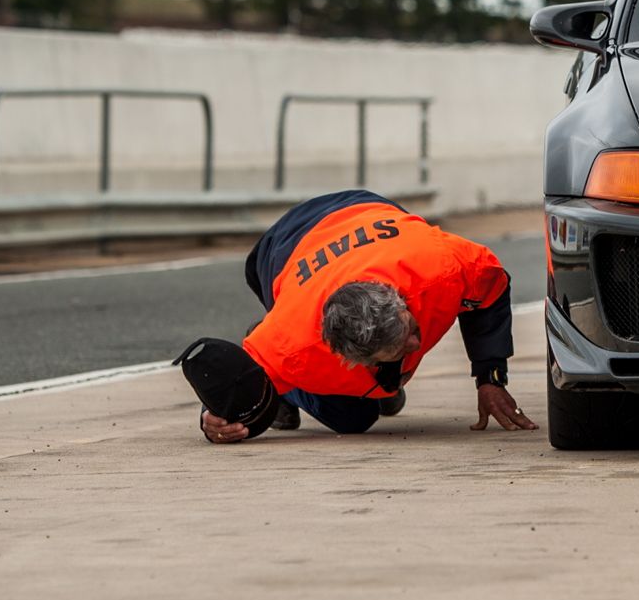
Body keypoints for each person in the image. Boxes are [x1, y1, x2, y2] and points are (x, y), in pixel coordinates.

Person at [175, 189, 537, 442]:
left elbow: (492, 286)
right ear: (349, 358)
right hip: (280, 251)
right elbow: (231, 381)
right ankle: (297, 393)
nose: (417, 341)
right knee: (354, 419)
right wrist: (212, 421)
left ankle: (383, 386)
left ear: (395, 296)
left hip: (361, 210)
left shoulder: (443, 267)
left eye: (409, 325)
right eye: (401, 348)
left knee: (382, 388)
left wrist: (490, 376)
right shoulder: (291, 343)